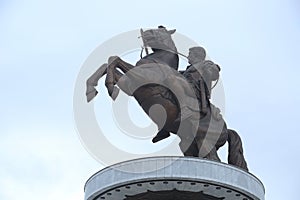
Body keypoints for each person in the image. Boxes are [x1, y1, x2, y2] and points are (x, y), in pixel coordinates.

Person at [152, 46, 221, 143]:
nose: (188, 56)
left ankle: (185, 109)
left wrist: (213, 70)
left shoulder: (205, 64)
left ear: (197, 55)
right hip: (186, 86)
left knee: (171, 79)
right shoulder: (188, 70)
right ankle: (165, 126)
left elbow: (214, 73)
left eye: (190, 54)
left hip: (195, 89)